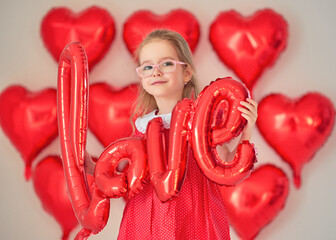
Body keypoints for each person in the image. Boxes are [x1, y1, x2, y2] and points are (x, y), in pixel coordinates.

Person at [115, 29, 258, 240]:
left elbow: (227, 163)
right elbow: (130, 177)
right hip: (146, 216)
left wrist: (247, 132)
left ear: (187, 73)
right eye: (147, 67)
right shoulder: (142, 126)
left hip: (195, 213)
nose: (156, 72)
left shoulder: (202, 120)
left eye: (166, 64)